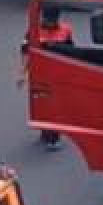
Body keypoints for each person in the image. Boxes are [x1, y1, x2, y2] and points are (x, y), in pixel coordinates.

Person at [34, 8, 74, 151]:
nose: (49, 23)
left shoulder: (66, 30)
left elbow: (71, 50)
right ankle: (45, 133)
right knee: (41, 104)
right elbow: (26, 50)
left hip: (58, 74)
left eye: (52, 20)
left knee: (54, 105)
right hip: (40, 74)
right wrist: (23, 73)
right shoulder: (34, 30)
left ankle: (53, 138)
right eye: (47, 20)